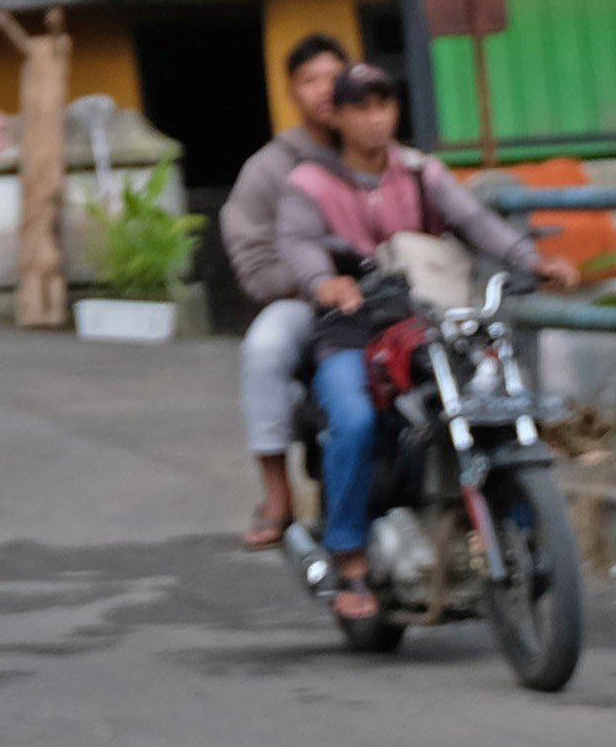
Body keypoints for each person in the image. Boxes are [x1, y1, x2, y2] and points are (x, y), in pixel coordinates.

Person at [277, 63, 578, 625]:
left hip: (423, 321)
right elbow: (295, 245)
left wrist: (531, 259)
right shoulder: (309, 183)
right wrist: (325, 282)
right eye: (361, 108)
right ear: (338, 117)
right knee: (355, 419)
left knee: (484, 398)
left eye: (383, 105)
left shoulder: (420, 173)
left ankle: (512, 531)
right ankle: (350, 558)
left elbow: (473, 219)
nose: (375, 119)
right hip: (348, 328)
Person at [222, 33, 348, 549]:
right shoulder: (269, 168)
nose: (323, 90)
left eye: (334, 78)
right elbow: (252, 261)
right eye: (309, 80)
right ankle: (278, 494)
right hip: (302, 305)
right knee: (263, 349)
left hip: (383, 297)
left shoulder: (374, 148)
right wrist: (316, 281)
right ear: (291, 92)